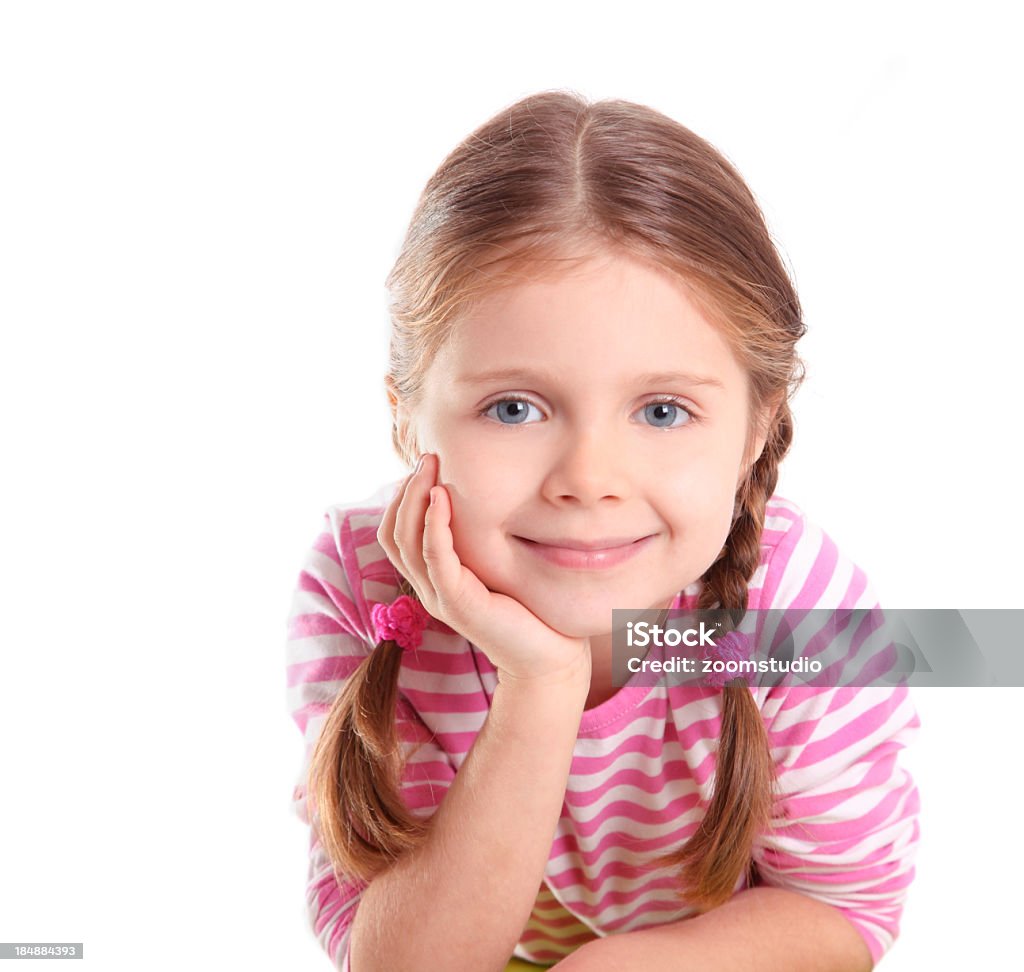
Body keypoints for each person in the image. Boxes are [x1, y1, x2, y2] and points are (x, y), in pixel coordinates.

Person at [284, 90, 919, 971]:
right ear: (406, 420)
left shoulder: (796, 611)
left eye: (661, 410)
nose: (589, 479)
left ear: (756, 426)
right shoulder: (363, 582)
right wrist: (540, 682)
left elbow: (843, 913)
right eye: (514, 407)